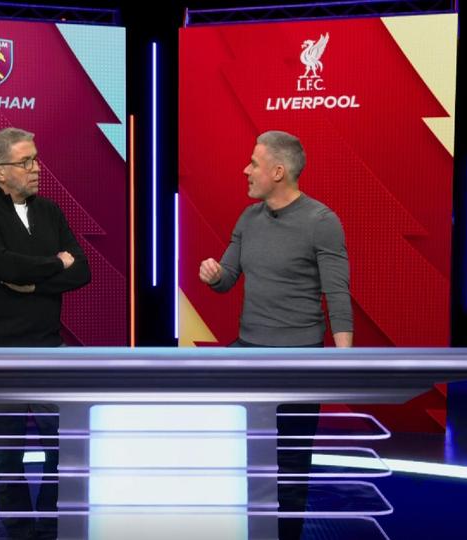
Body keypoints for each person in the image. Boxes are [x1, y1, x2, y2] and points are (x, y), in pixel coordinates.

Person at [199, 130, 353, 540]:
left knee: (290, 465)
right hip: (248, 353)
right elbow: (228, 278)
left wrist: (344, 361)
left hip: (298, 359)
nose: (245, 170)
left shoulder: (321, 222)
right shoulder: (248, 219)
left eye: (254, 163)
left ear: (279, 171)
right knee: (239, 456)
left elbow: (337, 293)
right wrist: (213, 275)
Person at [0, 127, 91, 540]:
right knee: (10, 450)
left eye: (35, 159)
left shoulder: (50, 211)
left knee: (62, 444)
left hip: (49, 346)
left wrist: (34, 284)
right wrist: (56, 263)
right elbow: (4, 266)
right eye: (26, 161)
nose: (36, 168)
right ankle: (18, 529)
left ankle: (51, 523)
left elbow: (83, 271)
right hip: (0, 350)